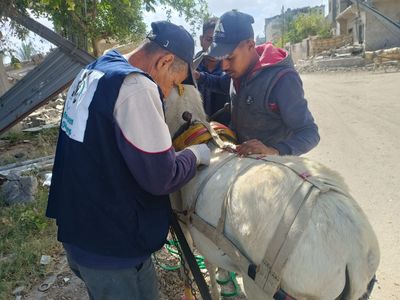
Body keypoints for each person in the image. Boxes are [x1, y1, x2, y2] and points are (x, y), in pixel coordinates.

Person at [46, 21, 210, 300]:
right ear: (165, 61)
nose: (169, 91)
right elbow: (162, 177)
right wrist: (196, 155)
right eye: (173, 82)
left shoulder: (94, 70)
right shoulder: (136, 87)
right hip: (110, 247)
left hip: (81, 232)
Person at [196, 10, 320, 156]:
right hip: (240, 159)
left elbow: (309, 132)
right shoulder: (237, 73)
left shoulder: (281, 80)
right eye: (219, 58)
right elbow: (220, 84)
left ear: (250, 45)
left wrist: (273, 151)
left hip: (273, 166)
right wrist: (198, 76)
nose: (223, 66)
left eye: (230, 58)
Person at [195, 18, 231, 125]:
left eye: (218, 41)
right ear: (201, 40)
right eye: (209, 40)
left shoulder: (232, 70)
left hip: (225, 133)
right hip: (194, 132)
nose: (213, 47)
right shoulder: (189, 69)